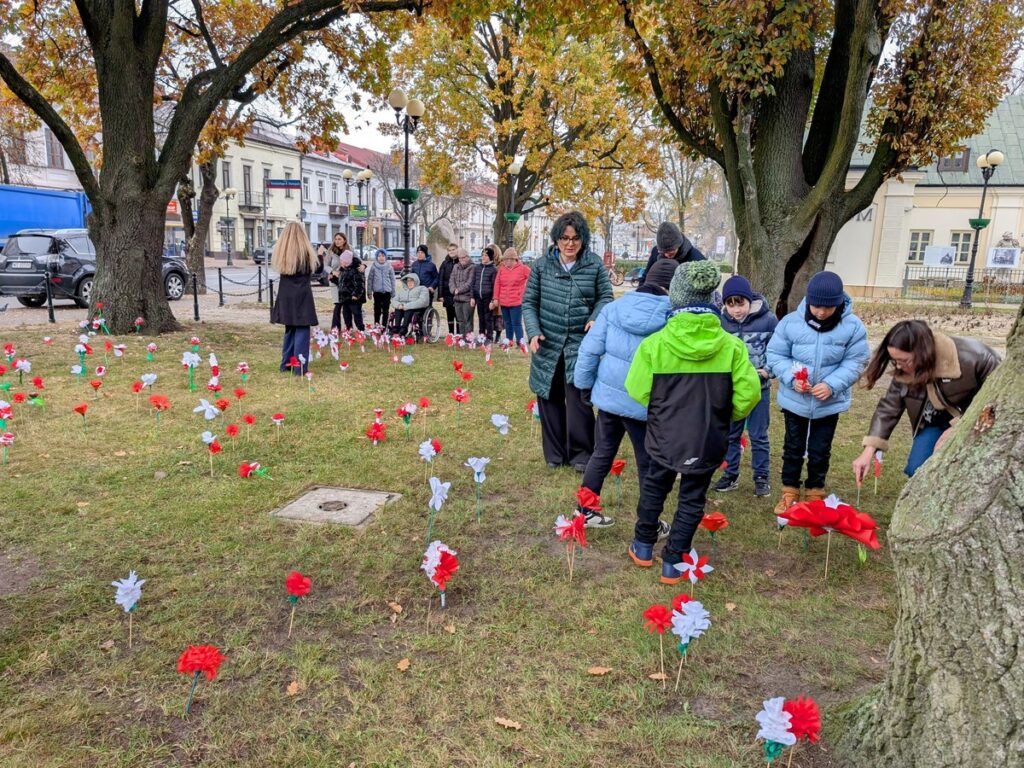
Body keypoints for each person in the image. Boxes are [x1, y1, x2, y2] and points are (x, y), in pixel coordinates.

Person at [625, 261, 760, 583]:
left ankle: (643, 545)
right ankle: (674, 559)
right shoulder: (732, 347)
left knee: (654, 487)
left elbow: (637, 387)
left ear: (676, 298)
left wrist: (662, 408)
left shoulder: (655, 345)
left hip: (664, 435)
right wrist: (725, 416)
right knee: (693, 497)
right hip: (707, 436)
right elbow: (749, 393)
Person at [572, 258, 679, 528]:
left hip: (610, 399)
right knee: (647, 461)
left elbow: (589, 350)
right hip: (644, 402)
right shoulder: (673, 317)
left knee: (602, 452)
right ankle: (649, 521)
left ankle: (584, 510)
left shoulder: (614, 308)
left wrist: (584, 385)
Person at [766, 271, 869, 515]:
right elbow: (776, 355)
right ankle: (789, 490)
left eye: (828, 307)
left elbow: (856, 361)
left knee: (820, 448)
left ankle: (815, 491)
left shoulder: (853, 327)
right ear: (808, 300)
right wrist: (792, 379)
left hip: (828, 402)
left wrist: (833, 384)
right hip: (795, 400)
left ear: (838, 303)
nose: (821, 312)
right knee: (793, 446)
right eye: (816, 306)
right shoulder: (791, 322)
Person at [852, 320, 1000, 481]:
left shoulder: (978, 358)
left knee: (962, 472)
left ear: (923, 353)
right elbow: (889, 408)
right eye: (895, 361)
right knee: (917, 470)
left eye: (904, 361)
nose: (899, 367)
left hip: (975, 420)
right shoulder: (904, 369)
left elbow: (998, 401)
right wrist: (869, 450)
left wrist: (960, 427)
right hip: (933, 421)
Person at [523, 211, 614, 471]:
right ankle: (554, 454)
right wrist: (533, 331)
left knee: (579, 402)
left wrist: (596, 317)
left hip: (579, 343)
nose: (570, 244)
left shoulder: (594, 264)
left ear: (583, 239)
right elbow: (529, 302)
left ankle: (581, 455)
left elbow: (605, 297)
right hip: (548, 342)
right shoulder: (542, 266)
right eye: (564, 238)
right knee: (549, 398)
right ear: (556, 239)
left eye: (575, 238)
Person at [712, 275, 779, 497]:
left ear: (749, 301)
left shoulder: (768, 320)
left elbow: (778, 352)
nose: (736, 310)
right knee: (731, 434)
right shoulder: (720, 323)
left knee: (759, 435)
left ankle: (762, 477)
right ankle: (730, 474)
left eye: (740, 303)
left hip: (760, 389)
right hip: (733, 390)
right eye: (730, 305)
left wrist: (768, 371)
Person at [270, 222, 319, 375]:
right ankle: (300, 367)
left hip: (286, 294)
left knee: (290, 329)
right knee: (302, 330)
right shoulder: (305, 252)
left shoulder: (281, 252)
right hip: (302, 295)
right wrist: (321, 256)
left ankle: (286, 364)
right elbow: (316, 269)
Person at [638, 222, 705, 286]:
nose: (667, 255)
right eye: (663, 251)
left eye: (671, 251)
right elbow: (646, 276)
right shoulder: (655, 252)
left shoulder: (696, 258)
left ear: (679, 244)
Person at [493, 247, 531, 348]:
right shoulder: (502, 270)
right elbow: (497, 284)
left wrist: (524, 292)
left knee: (516, 323)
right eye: (505, 260)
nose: (506, 262)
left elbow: (533, 278)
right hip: (504, 301)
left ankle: (520, 342)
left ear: (514, 259)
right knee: (507, 323)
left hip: (517, 302)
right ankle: (508, 341)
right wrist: (495, 298)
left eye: (508, 259)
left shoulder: (523, 268)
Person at [472, 245, 499, 343]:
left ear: (490, 257)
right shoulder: (477, 268)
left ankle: (489, 337)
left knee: (488, 318)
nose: (483, 257)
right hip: (478, 296)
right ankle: (481, 336)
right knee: (481, 317)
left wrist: (493, 300)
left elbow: (494, 286)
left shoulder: (493, 269)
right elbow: (473, 282)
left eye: (486, 255)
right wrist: (472, 297)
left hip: (488, 297)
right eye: (482, 255)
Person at [391, 273, 431, 337]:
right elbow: (393, 300)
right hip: (403, 308)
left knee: (408, 310)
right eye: (408, 281)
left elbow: (423, 301)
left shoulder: (422, 288)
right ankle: (397, 327)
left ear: (416, 281)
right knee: (398, 309)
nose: (409, 282)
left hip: (417, 309)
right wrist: (399, 305)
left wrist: (407, 306)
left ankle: (404, 328)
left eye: (412, 280)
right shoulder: (403, 290)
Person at [336, 249, 366, 331]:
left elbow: (360, 284)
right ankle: (349, 329)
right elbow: (341, 282)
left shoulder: (356, 270)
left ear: (346, 261)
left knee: (357, 314)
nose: (340, 262)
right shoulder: (343, 270)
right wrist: (333, 279)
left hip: (353, 298)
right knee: (346, 315)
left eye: (341, 261)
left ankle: (361, 329)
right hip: (345, 297)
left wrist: (356, 294)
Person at [449, 248, 475, 337]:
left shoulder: (472, 267)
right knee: (460, 320)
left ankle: (469, 339)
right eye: (460, 258)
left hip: (467, 298)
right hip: (457, 298)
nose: (462, 260)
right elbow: (451, 280)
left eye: (464, 257)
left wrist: (458, 290)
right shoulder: (455, 266)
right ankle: (462, 338)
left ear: (468, 257)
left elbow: (470, 283)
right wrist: (453, 289)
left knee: (467, 320)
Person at [367, 249, 396, 327]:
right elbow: (370, 279)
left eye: (383, 256)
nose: (381, 258)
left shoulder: (389, 267)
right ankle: (376, 325)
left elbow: (393, 280)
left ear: (386, 257)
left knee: (386, 310)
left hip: (387, 292)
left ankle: (384, 326)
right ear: (376, 257)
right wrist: (369, 292)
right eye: (379, 256)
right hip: (377, 292)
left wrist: (393, 291)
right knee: (377, 309)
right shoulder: (373, 267)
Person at [438, 243, 459, 334]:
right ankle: (451, 333)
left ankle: (459, 334)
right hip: (447, 293)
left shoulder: (460, 262)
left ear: (457, 250)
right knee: (449, 314)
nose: (451, 252)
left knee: (458, 315)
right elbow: (441, 279)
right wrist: (440, 294)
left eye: (453, 249)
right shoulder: (445, 263)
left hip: (458, 293)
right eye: (449, 250)